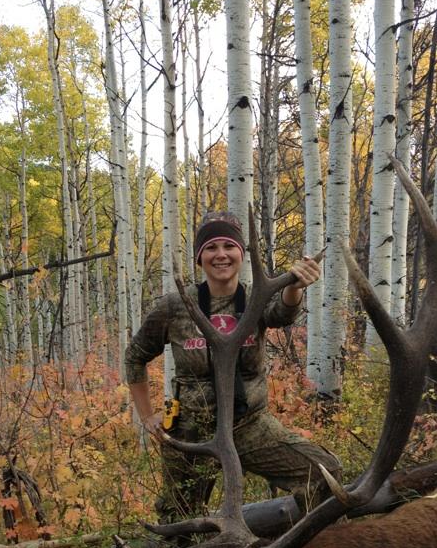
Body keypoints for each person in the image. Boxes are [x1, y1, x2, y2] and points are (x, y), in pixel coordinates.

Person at [125, 211, 342, 528]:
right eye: (211, 248)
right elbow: (135, 356)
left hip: (249, 425)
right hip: (192, 431)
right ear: (200, 257)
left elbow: (282, 312)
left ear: (241, 253)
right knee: (178, 523)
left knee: (325, 473)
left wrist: (295, 285)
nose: (221, 255)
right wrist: (147, 416)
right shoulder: (176, 306)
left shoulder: (256, 299)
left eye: (229, 245)